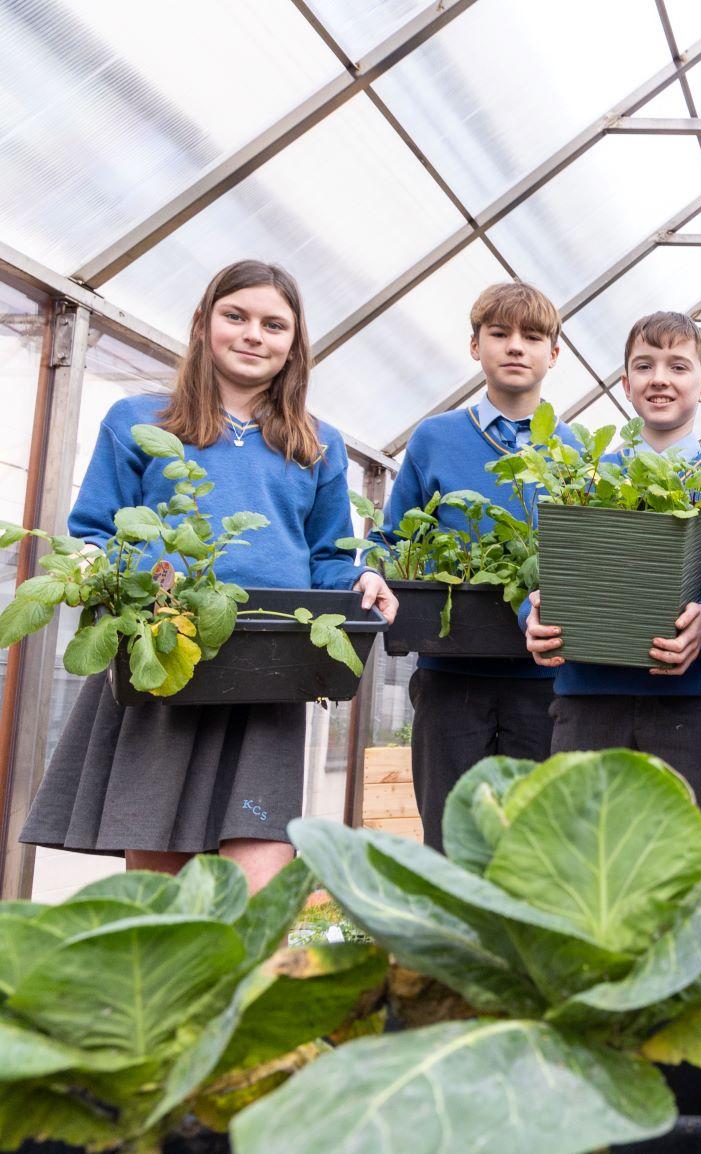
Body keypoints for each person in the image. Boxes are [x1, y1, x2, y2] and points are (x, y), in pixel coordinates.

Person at [21, 260, 396, 893]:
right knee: (165, 885)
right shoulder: (141, 421)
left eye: (274, 324)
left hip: (268, 672)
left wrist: (360, 582)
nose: (254, 334)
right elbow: (95, 530)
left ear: (293, 345)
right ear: (203, 323)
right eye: (237, 316)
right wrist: (90, 564)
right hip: (163, 659)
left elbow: (328, 557)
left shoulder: (316, 444)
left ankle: (242, 989)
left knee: (259, 878)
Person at [524, 312, 701, 832]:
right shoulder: (584, 482)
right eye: (644, 365)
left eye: (678, 366)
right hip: (587, 704)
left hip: (690, 712)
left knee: (680, 873)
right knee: (579, 867)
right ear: (625, 385)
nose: (659, 378)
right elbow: (543, 580)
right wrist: (535, 613)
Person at [379, 282, 574, 851]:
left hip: (547, 680)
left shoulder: (573, 450)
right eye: (500, 334)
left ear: (553, 355)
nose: (516, 347)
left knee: (538, 850)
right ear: (475, 347)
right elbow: (396, 539)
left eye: (532, 337)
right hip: (450, 676)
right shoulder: (435, 438)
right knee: (449, 840)